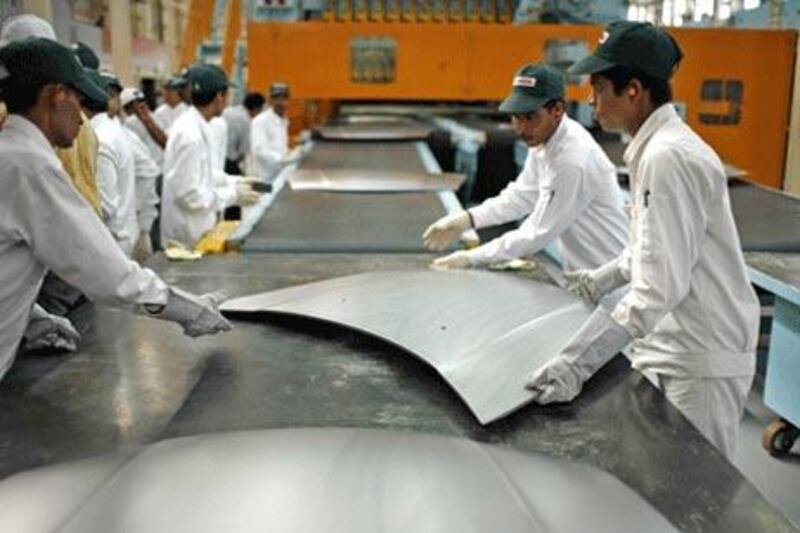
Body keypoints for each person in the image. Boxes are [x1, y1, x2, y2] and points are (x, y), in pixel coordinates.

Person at [526, 21, 760, 459]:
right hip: (670, 347)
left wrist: (577, 364)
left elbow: (658, 287)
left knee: (699, 502)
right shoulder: (653, 150)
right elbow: (650, 249)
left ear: (633, 89)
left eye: (598, 87)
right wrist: (600, 279)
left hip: (698, 358)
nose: (591, 100)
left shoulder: (667, 157)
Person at [0, 37, 231, 381]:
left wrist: (27, 315)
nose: (82, 118)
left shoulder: (9, 153)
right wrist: (187, 309)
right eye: (78, 100)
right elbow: (108, 273)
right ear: (56, 95)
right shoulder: (30, 166)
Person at [424, 64, 628, 272]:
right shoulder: (544, 141)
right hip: (586, 275)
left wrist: (472, 257)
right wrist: (468, 219)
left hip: (611, 284)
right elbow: (522, 196)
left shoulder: (572, 159)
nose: (521, 129)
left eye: (530, 117)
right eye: (516, 117)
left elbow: (537, 233)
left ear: (557, 110)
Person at [161, 63, 262, 247]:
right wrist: (231, 196)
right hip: (187, 237)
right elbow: (189, 196)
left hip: (197, 229)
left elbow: (203, 172)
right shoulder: (190, 135)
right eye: (227, 95)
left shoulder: (201, 126)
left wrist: (233, 181)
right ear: (219, 96)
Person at [84, 70, 139, 257]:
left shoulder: (101, 139)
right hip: (119, 238)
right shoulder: (109, 130)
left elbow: (104, 207)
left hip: (111, 245)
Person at [120, 88, 161, 261]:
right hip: (145, 184)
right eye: (134, 105)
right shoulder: (129, 125)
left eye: (140, 102)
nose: (138, 107)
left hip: (149, 182)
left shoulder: (149, 118)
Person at [250, 82, 291, 186]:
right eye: (277, 98)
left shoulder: (284, 121)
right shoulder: (260, 121)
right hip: (263, 179)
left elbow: (279, 146)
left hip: (278, 176)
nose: (281, 102)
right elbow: (259, 150)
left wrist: (290, 154)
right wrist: (282, 160)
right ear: (270, 100)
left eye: (284, 98)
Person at [222, 92, 266, 175]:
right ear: (257, 109)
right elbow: (244, 151)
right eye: (261, 110)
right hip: (229, 162)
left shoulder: (228, 110)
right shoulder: (247, 121)